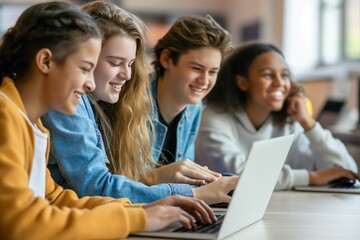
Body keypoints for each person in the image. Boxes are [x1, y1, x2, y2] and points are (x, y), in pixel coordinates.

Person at [0, 2, 218, 239]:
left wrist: (145, 209)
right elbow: (21, 223)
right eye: (85, 69)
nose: (90, 83)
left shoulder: (32, 123)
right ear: (45, 61)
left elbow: (54, 198)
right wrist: (138, 218)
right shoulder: (5, 116)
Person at [42, 1, 237, 204]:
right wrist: (191, 194)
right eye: (115, 63)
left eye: (131, 64)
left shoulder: (102, 100)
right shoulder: (70, 99)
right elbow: (97, 185)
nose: (127, 75)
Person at [195, 42, 359, 190]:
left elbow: (344, 171)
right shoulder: (213, 118)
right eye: (267, 74)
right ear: (242, 82)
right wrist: (311, 178)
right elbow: (239, 175)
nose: (279, 82)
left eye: (284, 75)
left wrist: (307, 122)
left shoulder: (288, 121)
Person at [147, 14, 234, 185]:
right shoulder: (132, 101)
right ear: (166, 59)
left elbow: (182, 179)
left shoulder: (194, 107)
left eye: (213, 72)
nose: (205, 80)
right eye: (196, 68)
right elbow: (127, 180)